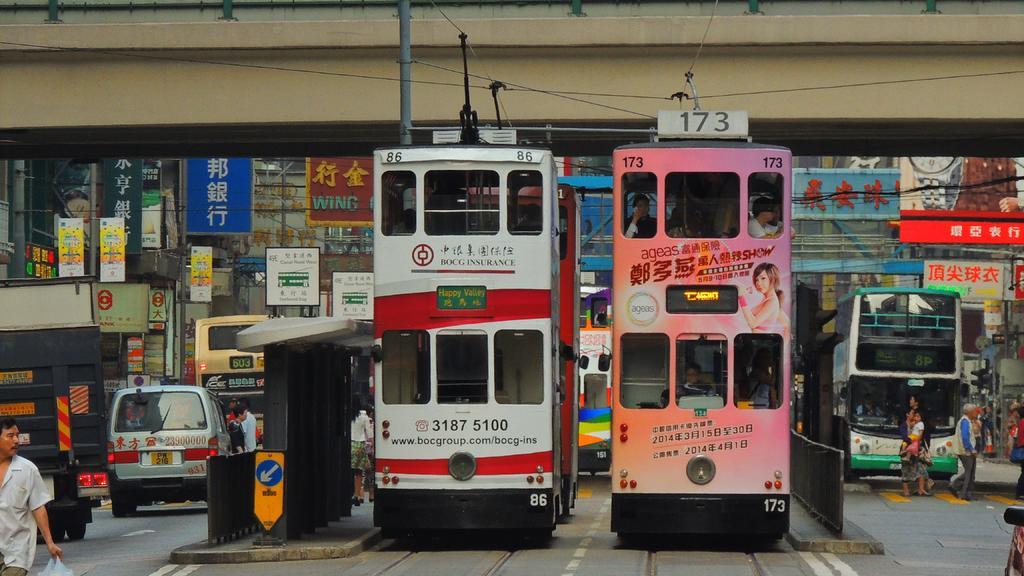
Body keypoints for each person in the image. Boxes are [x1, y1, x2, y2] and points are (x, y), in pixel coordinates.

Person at [0, 418, 63, 576]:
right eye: (10, 435)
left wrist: (50, 542)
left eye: (17, 435)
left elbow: (38, 507)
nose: (16, 440)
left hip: (16, 550)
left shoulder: (27, 469)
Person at [739, 262, 791, 339]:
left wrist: (741, 297)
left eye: (763, 278)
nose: (758, 283)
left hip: (760, 344)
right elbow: (787, 323)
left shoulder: (772, 302)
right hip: (757, 344)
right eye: (757, 280)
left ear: (773, 279)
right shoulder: (769, 299)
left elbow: (753, 323)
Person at [950, 403, 979, 501]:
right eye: (975, 411)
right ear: (970, 412)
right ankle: (963, 492)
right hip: (966, 451)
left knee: (970, 472)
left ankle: (965, 491)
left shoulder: (967, 421)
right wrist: (971, 449)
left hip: (966, 451)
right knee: (968, 473)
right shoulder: (965, 421)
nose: (976, 413)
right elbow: (965, 438)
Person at [350, 398, 373, 506]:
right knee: (359, 472)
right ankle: (357, 494)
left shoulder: (348, 416)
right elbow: (370, 434)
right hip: (359, 445)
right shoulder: (364, 418)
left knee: (350, 471)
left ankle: (350, 493)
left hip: (349, 444)